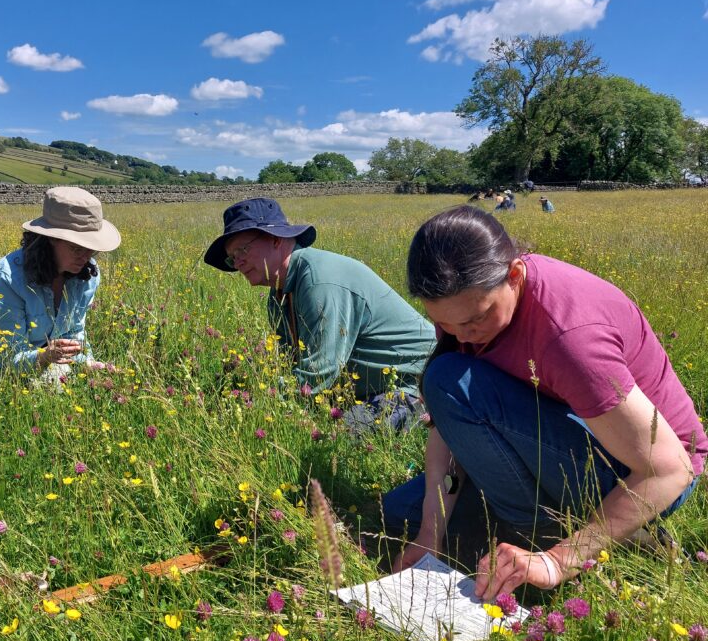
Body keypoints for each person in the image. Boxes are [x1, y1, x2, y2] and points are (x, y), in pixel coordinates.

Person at [383, 205, 705, 599]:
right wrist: (429, 537)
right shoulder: (465, 305)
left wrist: (555, 561)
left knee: (447, 380)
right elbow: (449, 427)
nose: (461, 336)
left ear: (514, 275)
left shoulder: (570, 338)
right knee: (400, 512)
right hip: (571, 435)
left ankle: (546, 533)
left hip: (642, 472)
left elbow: (671, 470)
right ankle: (593, 529)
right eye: (446, 324)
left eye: (474, 321)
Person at [203, 197, 435, 430]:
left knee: (344, 437)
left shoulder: (318, 279)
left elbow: (319, 371)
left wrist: (259, 407)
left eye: (242, 250)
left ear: (275, 239)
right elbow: (290, 363)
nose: (238, 262)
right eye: (232, 258)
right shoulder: (279, 295)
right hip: (361, 389)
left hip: (418, 383)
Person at [0, 186, 120, 386]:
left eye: (92, 250)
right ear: (50, 240)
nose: (86, 257)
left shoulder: (87, 275)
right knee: (51, 388)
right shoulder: (8, 278)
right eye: (76, 248)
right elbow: (10, 353)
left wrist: (86, 363)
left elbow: (73, 332)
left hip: (41, 352)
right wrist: (45, 357)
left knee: (65, 382)